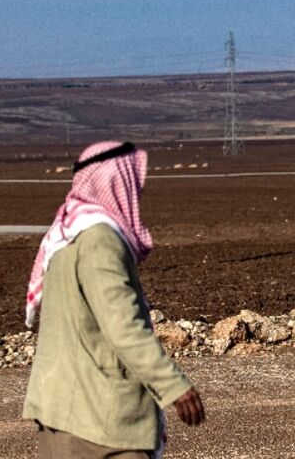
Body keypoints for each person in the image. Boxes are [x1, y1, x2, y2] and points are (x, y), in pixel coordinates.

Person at [23, 141, 206, 458]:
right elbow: (124, 327)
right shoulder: (100, 240)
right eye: (134, 181)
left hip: (60, 409)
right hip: (99, 419)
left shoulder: (66, 235)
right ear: (115, 182)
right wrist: (174, 386)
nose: (139, 191)